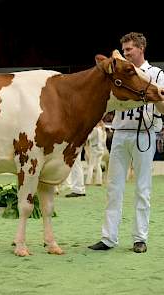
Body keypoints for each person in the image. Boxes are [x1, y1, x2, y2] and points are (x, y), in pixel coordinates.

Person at [88, 32, 164, 253]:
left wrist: (156, 98)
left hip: (145, 133)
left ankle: (140, 238)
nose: (126, 52)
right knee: (114, 187)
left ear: (141, 48)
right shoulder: (118, 72)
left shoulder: (156, 74)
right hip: (120, 133)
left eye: (129, 49)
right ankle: (108, 237)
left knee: (143, 187)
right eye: (124, 49)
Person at [85, 120, 107, 186]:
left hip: (94, 149)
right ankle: (99, 181)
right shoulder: (103, 132)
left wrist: (87, 133)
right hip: (101, 149)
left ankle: (88, 181)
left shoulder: (95, 130)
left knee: (91, 165)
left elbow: (89, 138)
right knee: (98, 165)